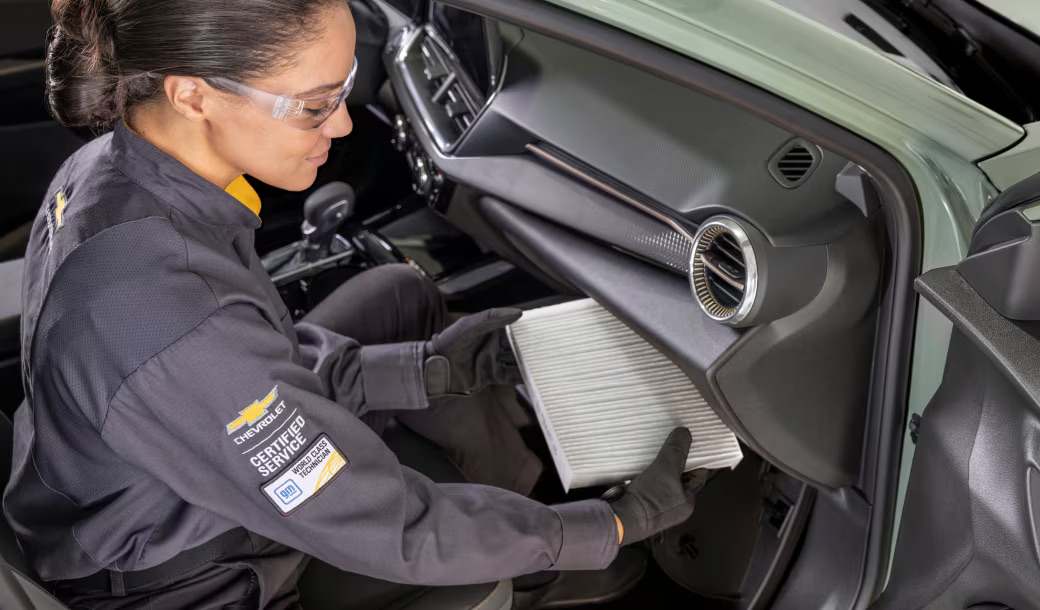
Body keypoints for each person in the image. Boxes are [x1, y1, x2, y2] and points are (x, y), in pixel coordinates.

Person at [1, 0, 701, 607]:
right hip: (191, 577)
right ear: (193, 94)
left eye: (343, 92)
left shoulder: (113, 170)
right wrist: (600, 529)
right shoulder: (166, 314)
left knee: (398, 295)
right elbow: (384, 525)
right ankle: (532, 566)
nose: (339, 128)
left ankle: (516, 507)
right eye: (313, 106)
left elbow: (248, 363)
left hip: (136, 464)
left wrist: (430, 368)